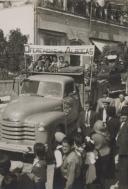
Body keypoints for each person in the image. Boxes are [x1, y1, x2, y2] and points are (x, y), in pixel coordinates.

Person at [91, 120, 111, 189]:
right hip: (107, 153)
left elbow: (92, 145)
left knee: (98, 170)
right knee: (103, 172)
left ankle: (98, 184)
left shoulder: (95, 136)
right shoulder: (106, 134)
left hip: (99, 155)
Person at [116, 107, 128, 189]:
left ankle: (123, 185)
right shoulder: (123, 123)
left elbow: (124, 139)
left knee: (124, 169)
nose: (123, 116)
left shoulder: (126, 124)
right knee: (122, 169)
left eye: (125, 115)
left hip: (125, 151)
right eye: (122, 115)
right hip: (122, 150)